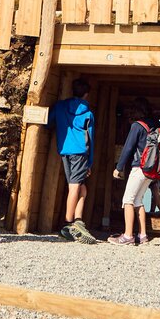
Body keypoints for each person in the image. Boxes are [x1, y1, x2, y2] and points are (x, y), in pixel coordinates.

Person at [52, 78, 96, 244]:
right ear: (86, 94)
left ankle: (78, 219)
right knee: (75, 187)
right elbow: (91, 139)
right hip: (80, 152)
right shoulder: (88, 113)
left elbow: (50, 122)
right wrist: (89, 163)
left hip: (64, 150)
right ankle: (69, 224)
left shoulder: (60, 106)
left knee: (81, 187)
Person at [109, 97, 157, 246]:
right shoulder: (154, 125)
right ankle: (142, 235)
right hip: (151, 170)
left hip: (139, 168)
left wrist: (119, 168)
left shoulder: (137, 126)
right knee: (138, 201)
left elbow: (128, 148)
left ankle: (128, 236)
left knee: (127, 200)